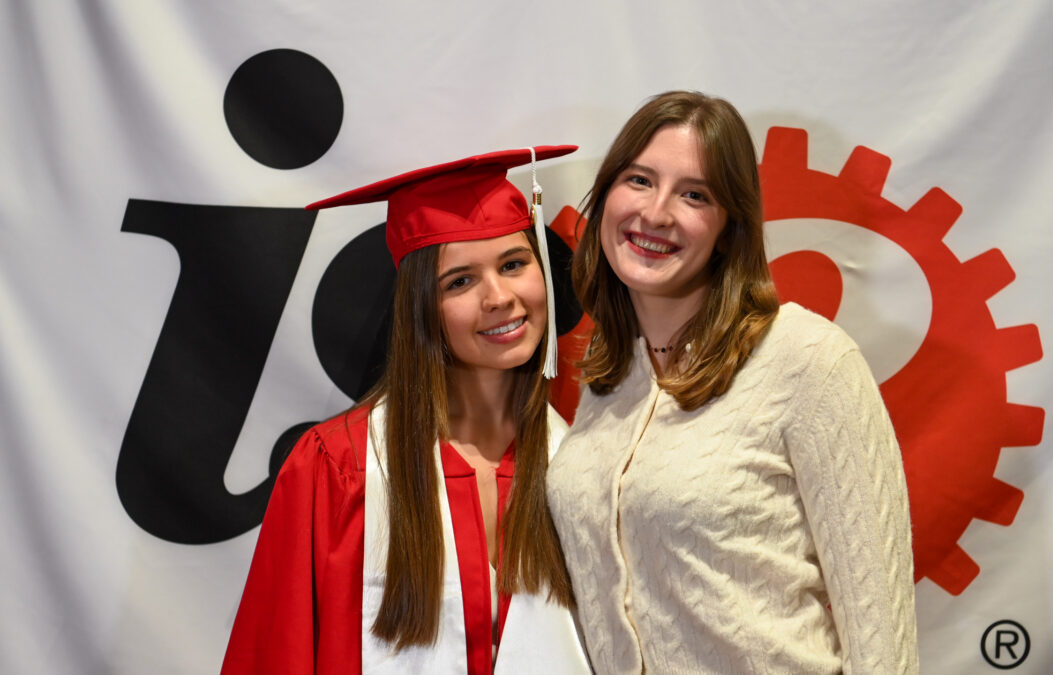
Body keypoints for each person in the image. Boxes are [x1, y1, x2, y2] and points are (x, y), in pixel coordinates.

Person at [547, 91, 919, 674]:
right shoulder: (608, 374)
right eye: (640, 180)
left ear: (728, 228)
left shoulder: (807, 360)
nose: (657, 213)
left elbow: (882, 636)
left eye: (694, 194)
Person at [222, 147, 590, 674]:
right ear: (421, 309)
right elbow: (275, 654)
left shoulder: (581, 466)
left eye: (513, 264)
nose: (499, 297)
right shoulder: (338, 468)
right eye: (460, 281)